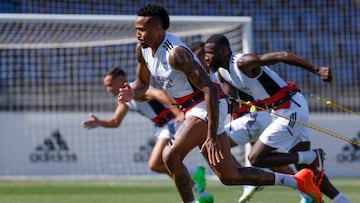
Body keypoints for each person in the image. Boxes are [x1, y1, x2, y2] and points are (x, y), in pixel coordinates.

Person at [118, 4, 323, 203]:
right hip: (192, 108)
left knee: (170, 156)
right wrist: (132, 92)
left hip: (206, 104)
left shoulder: (176, 54)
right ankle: (298, 181)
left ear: (158, 28)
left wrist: (211, 134)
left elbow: (209, 89)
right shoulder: (142, 50)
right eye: (137, 29)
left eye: (142, 29)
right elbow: (142, 83)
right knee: (230, 177)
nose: (138, 33)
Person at [203, 33, 351, 203]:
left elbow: (282, 56)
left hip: (290, 108)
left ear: (223, 52)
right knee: (305, 171)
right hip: (279, 112)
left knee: (255, 158)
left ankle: (311, 156)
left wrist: (317, 70)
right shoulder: (222, 73)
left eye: (210, 52)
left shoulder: (242, 62)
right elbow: (232, 101)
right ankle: (342, 200)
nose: (207, 58)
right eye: (206, 53)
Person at [191, 41, 312, 203]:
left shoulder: (226, 68)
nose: (203, 60)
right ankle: (305, 191)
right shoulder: (218, 72)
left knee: (216, 144)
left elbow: (229, 101)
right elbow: (231, 101)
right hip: (261, 116)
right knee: (269, 159)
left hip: (252, 117)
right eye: (199, 57)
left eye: (203, 56)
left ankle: (246, 178)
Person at [82, 67, 214, 203]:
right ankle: (203, 194)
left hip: (171, 123)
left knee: (156, 164)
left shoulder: (135, 89)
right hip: (163, 126)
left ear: (120, 80)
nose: (108, 89)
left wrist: (178, 113)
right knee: (168, 165)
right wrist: (99, 122)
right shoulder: (124, 98)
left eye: (110, 85)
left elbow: (160, 94)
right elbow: (116, 121)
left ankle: (194, 173)